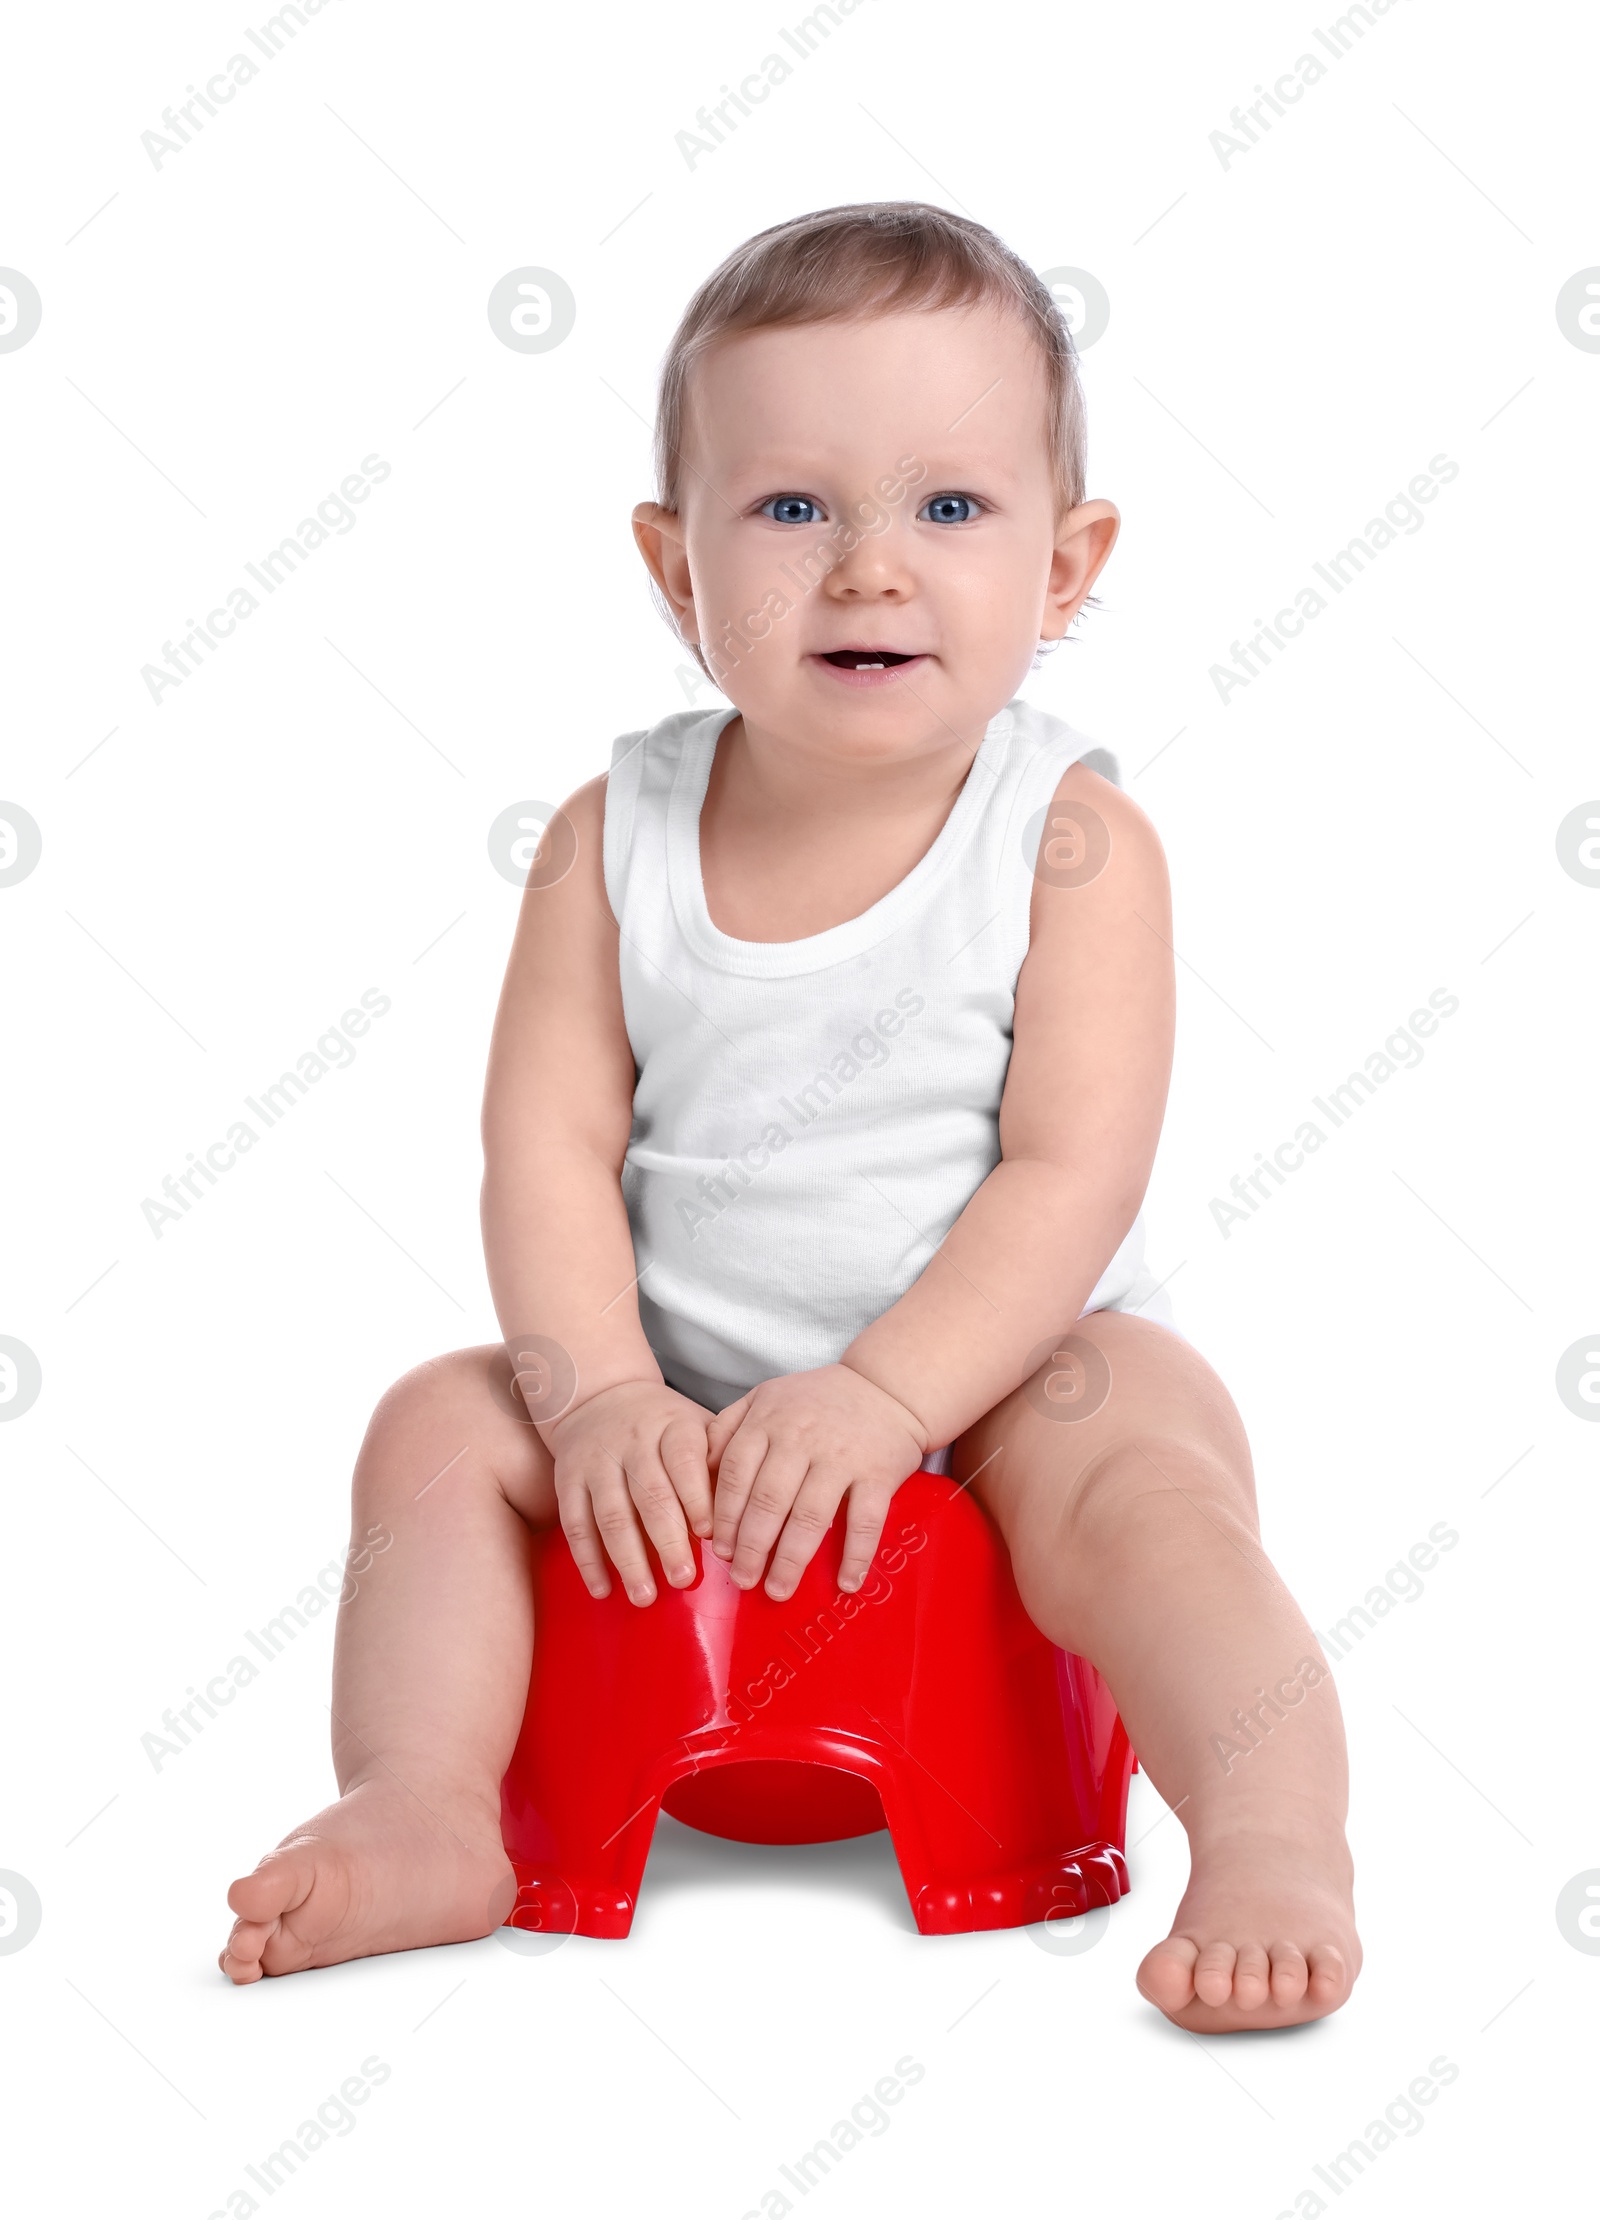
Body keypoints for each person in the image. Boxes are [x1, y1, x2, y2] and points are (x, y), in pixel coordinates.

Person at [219, 202, 1359, 2031]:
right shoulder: (613, 838)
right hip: (674, 1390)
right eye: (795, 508)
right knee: (433, 1426)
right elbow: (548, 1149)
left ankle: (1273, 1828)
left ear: (1071, 566)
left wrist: (898, 1395)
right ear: (678, 571)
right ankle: (428, 1805)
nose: (870, 570)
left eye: (952, 507)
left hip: (998, 1386)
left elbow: (1072, 1173)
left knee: (1143, 1454)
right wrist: (597, 1393)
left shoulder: (1070, 842)